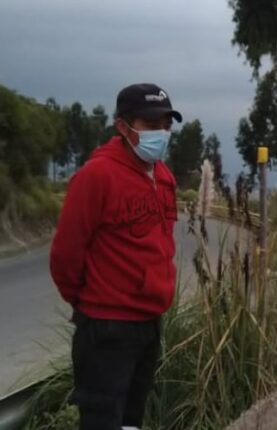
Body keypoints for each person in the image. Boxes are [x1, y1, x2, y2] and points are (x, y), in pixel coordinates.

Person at [50, 83, 182, 430]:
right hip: (107, 328)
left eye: (167, 125)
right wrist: (92, 303)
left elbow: (162, 243)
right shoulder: (96, 177)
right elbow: (66, 255)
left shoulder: (164, 177)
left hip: (150, 322)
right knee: (101, 419)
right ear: (123, 127)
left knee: (131, 421)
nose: (162, 133)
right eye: (152, 125)